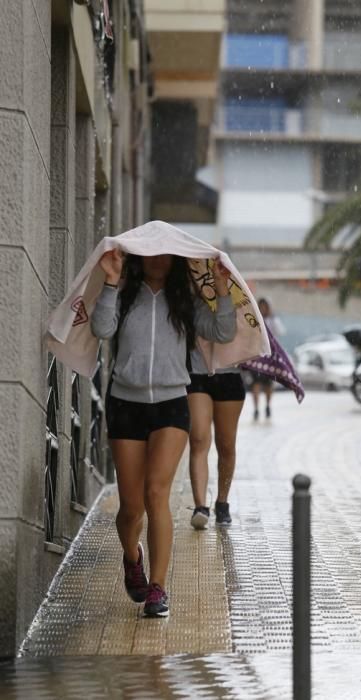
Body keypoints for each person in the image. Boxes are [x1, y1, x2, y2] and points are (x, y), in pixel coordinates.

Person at [90, 250, 236, 618]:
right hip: (126, 404)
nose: (157, 260)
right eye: (150, 254)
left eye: (165, 255)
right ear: (140, 258)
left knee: (157, 494)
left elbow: (223, 331)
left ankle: (158, 588)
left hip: (172, 402)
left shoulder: (183, 302)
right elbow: (101, 329)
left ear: (174, 262)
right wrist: (110, 281)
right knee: (131, 507)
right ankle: (132, 556)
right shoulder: (124, 295)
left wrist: (220, 291)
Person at [187, 356, 245, 530]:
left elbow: (253, 329)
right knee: (198, 440)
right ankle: (200, 507)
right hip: (196, 373)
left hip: (230, 372)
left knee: (226, 445)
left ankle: (222, 502)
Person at [250, 298, 285, 421]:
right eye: (261, 307)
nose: (263, 309)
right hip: (257, 357)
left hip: (269, 357)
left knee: (268, 384)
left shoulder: (273, 320)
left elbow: (280, 332)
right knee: (256, 383)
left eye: (265, 307)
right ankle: (256, 408)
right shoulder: (253, 319)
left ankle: (268, 405)